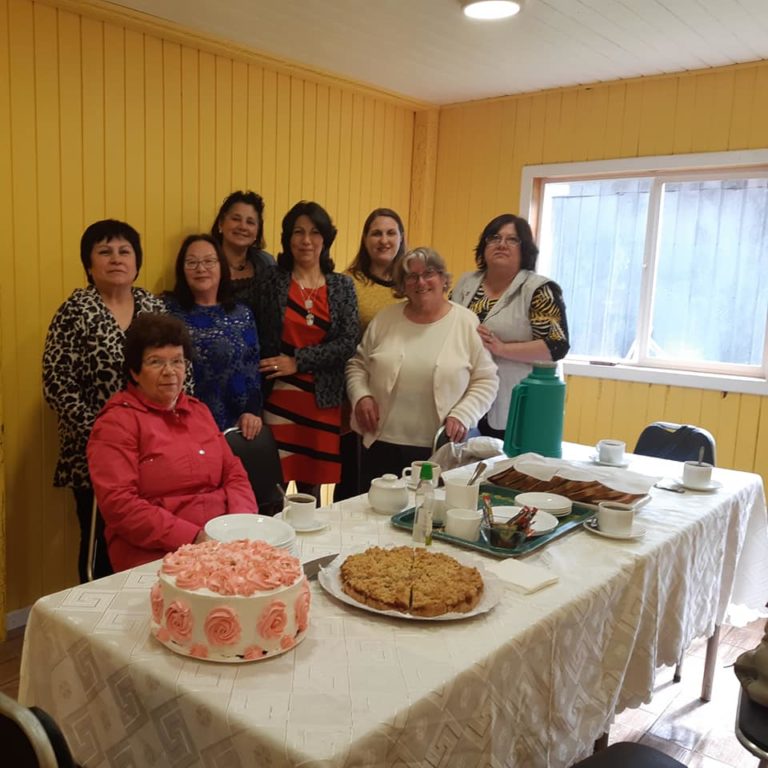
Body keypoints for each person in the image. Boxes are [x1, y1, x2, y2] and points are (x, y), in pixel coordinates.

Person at [43, 219, 166, 582]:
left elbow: (180, 370)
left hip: (154, 448)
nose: (116, 258)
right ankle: (95, 626)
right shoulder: (74, 311)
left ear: (137, 262)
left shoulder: (153, 307)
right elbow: (57, 384)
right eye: (104, 251)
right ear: (89, 264)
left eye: (124, 251)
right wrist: (109, 433)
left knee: (148, 536)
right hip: (95, 450)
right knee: (101, 542)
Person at [87, 313, 257, 572]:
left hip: (223, 544)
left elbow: (234, 474)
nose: (170, 372)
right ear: (134, 371)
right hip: (154, 553)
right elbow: (120, 506)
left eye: (177, 361)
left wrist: (240, 524)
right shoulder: (116, 423)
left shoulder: (199, 411)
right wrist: (195, 537)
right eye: (156, 362)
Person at [346, 247, 498, 488]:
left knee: (430, 519)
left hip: (441, 449)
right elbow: (357, 366)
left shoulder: (465, 322)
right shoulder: (385, 319)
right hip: (380, 443)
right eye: (411, 276)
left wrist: (464, 413)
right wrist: (362, 397)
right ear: (402, 285)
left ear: (444, 279)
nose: (421, 282)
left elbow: (487, 380)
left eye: (429, 273)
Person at [257, 201, 359, 503]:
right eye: (298, 232)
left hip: (322, 399)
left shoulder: (342, 286)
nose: (306, 240)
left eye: (315, 232)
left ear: (325, 239)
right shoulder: (272, 282)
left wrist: (297, 361)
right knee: (273, 484)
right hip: (278, 396)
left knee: (310, 489)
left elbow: (347, 342)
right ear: (288, 239)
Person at [452, 214, 569, 439]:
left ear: (525, 249)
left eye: (512, 239)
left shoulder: (538, 290)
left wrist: (501, 348)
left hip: (519, 400)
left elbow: (556, 346)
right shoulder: (466, 284)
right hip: (469, 398)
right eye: (494, 238)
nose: (502, 244)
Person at [334, 208, 406, 501]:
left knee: (393, 478)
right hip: (355, 393)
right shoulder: (347, 282)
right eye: (376, 233)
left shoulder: (412, 285)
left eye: (391, 233)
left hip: (400, 397)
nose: (384, 240)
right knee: (353, 478)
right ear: (365, 239)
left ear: (402, 238)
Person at [164, 234, 263, 438]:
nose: (201, 269)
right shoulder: (168, 312)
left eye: (209, 261)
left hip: (237, 427)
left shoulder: (241, 313)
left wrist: (251, 412)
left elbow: (253, 368)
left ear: (221, 266)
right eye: (192, 262)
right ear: (182, 270)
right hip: (182, 426)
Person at [210, 190, 275, 316]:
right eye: (236, 219)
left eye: (250, 222)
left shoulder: (266, 264)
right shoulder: (205, 261)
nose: (242, 227)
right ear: (221, 223)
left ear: (257, 232)